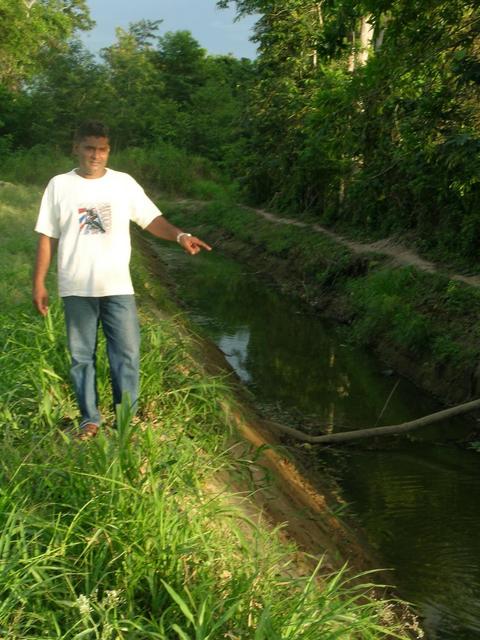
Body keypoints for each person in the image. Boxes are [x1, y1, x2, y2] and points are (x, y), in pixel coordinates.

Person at [32, 121, 211, 439]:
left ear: (108, 150)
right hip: (76, 287)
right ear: (76, 148)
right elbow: (47, 236)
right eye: (89, 148)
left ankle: (125, 420)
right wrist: (39, 282)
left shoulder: (123, 184)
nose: (95, 155)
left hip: (117, 286)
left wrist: (180, 235)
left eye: (102, 149)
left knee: (126, 354)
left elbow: (151, 220)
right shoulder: (59, 185)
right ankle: (89, 419)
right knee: (81, 357)